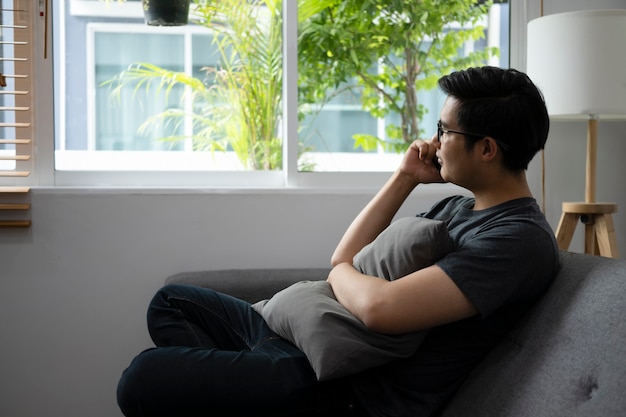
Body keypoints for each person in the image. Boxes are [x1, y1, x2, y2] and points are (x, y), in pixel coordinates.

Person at [117, 66, 559, 417]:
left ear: (487, 149)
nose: (433, 142)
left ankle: (256, 388)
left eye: (445, 131)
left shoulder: (517, 239)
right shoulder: (457, 207)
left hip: (351, 388)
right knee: (170, 302)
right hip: (309, 340)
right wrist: (404, 178)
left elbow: (378, 307)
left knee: (142, 379)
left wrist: (340, 275)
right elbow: (343, 255)